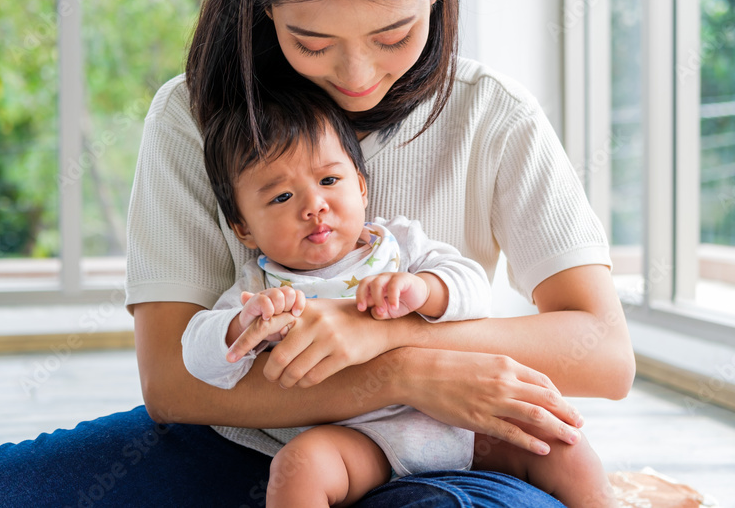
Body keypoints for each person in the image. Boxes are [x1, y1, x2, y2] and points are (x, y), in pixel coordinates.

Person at [0, 0, 633, 506]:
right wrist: (404, 368)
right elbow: (173, 385)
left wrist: (383, 343)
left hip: (447, 449)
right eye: (312, 40)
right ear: (262, 9)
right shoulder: (195, 116)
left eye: (395, 33)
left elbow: (602, 350)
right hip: (243, 443)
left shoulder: (490, 111)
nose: (357, 75)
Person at [182, 84, 618, 507]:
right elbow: (197, 358)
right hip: (360, 441)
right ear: (243, 229)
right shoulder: (260, 290)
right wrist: (241, 326)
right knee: (300, 467)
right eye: (280, 196)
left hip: (461, 421)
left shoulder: (401, 245)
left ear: (362, 185)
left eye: (330, 179)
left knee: (560, 439)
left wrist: (425, 290)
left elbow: (473, 290)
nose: (313, 205)